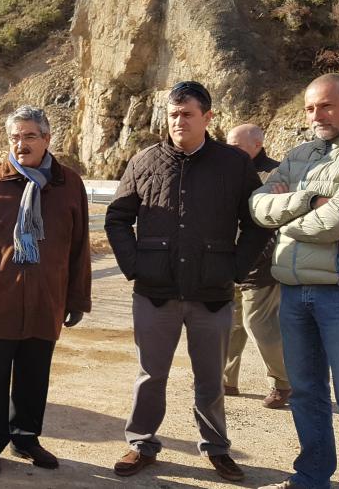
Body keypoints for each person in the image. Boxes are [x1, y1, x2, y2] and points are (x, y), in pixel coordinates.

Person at [105, 81, 270, 482]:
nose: (178, 121)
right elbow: (117, 218)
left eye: (187, 114)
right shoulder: (144, 161)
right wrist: (135, 266)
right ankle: (141, 443)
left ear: (207, 117)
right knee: (150, 374)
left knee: (210, 378)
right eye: (173, 114)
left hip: (211, 293)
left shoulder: (233, 164)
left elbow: (256, 223)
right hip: (154, 292)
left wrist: (234, 268)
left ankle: (216, 448)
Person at [251, 74, 339, 489]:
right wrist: (307, 201)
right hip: (293, 293)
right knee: (307, 394)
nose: (316, 116)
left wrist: (284, 223)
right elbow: (259, 205)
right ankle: (312, 476)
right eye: (310, 108)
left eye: (325, 106)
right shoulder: (299, 154)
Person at [0, 105, 92, 478]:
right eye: (15, 137)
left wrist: (77, 298)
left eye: (30, 136)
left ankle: (26, 438)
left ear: (47, 139)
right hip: (0, 299)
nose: (21, 144)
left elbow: (79, 247)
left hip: (47, 298)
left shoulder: (69, 184)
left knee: (35, 373)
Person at [222, 123, 290, 408]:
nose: (229, 151)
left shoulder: (275, 175)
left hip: (261, 265)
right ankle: (225, 380)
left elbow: (276, 221)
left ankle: (284, 383)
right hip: (229, 261)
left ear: (257, 145)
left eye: (236, 146)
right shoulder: (226, 172)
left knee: (259, 325)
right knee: (230, 324)